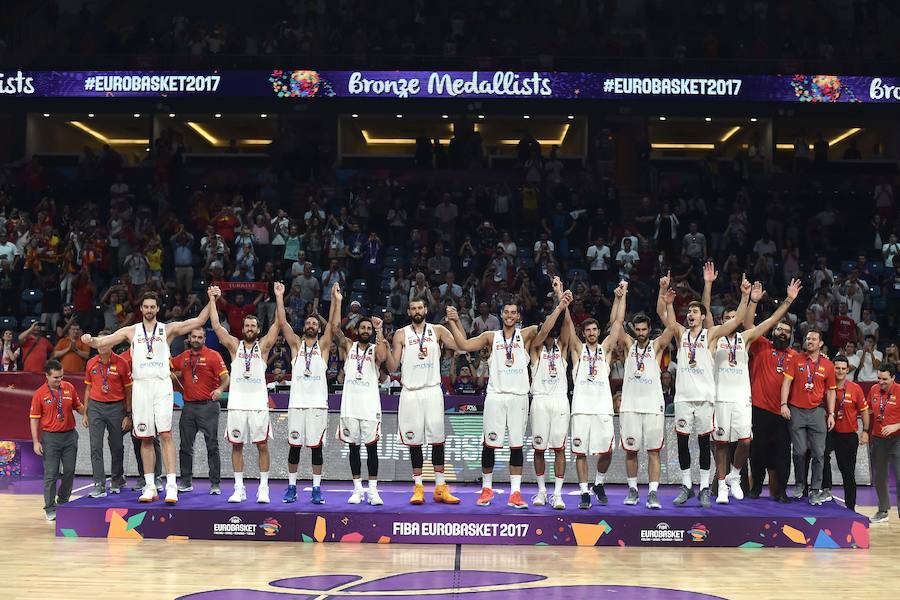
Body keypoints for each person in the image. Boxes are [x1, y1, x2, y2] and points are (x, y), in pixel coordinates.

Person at [82, 291, 212, 504]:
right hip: (141, 387)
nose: (149, 310)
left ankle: (171, 487)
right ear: (141, 309)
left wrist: (212, 300)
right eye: (146, 307)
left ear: (157, 309)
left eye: (153, 307)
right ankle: (150, 486)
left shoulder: (167, 329)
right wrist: (90, 339)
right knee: (145, 437)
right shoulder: (131, 331)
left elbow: (199, 320)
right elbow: (103, 341)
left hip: (161, 385)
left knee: (166, 435)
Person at [706, 276, 801, 504]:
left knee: (745, 442)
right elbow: (706, 310)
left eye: (733, 318)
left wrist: (788, 300)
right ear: (721, 321)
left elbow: (770, 322)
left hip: (741, 399)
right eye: (727, 318)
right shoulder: (713, 337)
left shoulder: (745, 339)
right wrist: (708, 285)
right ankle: (721, 486)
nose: (731, 321)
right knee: (720, 444)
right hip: (719, 399)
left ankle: (735, 476)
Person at [658, 271, 749, 507]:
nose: (690, 314)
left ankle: (706, 487)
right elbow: (664, 316)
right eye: (688, 311)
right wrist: (665, 297)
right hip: (684, 399)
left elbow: (737, 320)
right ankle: (687, 486)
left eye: (695, 311)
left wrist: (745, 295)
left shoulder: (711, 336)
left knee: (703, 443)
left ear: (702, 316)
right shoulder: (680, 334)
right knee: (682, 442)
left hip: (706, 399)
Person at [446, 302, 539, 509]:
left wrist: (560, 304)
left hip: (518, 396)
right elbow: (464, 345)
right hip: (496, 396)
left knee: (517, 446)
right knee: (489, 444)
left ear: (518, 315)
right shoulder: (490, 336)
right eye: (506, 312)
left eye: (513, 312)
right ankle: (486, 489)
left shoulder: (527, 334)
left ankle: (515, 493)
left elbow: (548, 327)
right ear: (501, 314)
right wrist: (454, 321)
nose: (509, 315)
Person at [384, 298, 465, 505]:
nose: (417, 311)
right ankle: (418, 487)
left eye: (420, 307)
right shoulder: (401, 334)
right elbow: (393, 367)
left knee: (438, 440)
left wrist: (456, 322)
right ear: (409, 312)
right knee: (415, 442)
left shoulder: (437, 330)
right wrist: (382, 345)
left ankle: (440, 487)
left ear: (426, 309)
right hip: (410, 392)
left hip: (432, 391)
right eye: (413, 308)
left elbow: (462, 345)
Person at [208, 286, 279, 504]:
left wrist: (278, 297)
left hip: (258, 405)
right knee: (236, 445)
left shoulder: (264, 347)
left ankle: (263, 488)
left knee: (262, 445)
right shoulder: (234, 346)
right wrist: (212, 300)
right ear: (243, 328)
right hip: (237, 405)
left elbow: (278, 325)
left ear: (258, 329)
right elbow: (217, 326)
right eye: (246, 325)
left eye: (253, 326)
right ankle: (239, 488)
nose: (249, 328)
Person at [274, 281, 340, 505]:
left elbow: (332, 324)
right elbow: (282, 323)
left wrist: (336, 300)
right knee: (294, 447)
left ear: (318, 328)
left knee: (316, 449)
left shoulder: (322, 347)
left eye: (314, 323)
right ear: (304, 326)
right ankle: (291, 486)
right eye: (308, 322)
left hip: (318, 406)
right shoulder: (295, 346)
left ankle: (316, 488)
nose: (311, 325)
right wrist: (280, 296)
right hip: (296, 405)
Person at [562, 281, 623, 510]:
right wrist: (562, 298)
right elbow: (567, 323)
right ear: (583, 333)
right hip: (580, 409)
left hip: (603, 409)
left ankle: (599, 483)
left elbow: (617, 324)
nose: (591, 333)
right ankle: (585, 492)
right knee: (580, 453)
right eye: (587, 330)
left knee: (608, 450)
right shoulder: (578, 350)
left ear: (598, 332)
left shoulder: (605, 349)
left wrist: (619, 297)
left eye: (594, 330)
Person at [618, 290, 677, 509]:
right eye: (638, 329)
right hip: (630, 407)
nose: (641, 333)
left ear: (649, 330)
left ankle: (653, 493)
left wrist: (668, 304)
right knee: (631, 451)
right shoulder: (627, 345)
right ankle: (633, 490)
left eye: (644, 329)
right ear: (634, 330)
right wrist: (621, 297)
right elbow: (616, 324)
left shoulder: (657, 347)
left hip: (653, 407)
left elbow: (672, 329)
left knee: (654, 451)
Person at [334, 302, 388, 506]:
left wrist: (379, 330)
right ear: (357, 330)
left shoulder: (376, 348)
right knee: (354, 449)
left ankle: (373, 491)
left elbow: (383, 358)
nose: (366, 331)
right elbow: (334, 330)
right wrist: (338, 302)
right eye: (363, 328)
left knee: (372, 450)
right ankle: (357, 489)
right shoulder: (349, 345)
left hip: (370, 407)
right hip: (350, 407)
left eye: (368, 328)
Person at [527, 281, 573, 510]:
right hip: (541, 400)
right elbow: (544, 330)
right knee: (538, 448)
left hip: (559, 401)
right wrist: (558, 304)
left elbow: (567, 328)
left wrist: (561, 299)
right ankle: (541, 490)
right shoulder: (535, 347)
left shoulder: (562, 346)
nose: (547, 329)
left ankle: (557, 494)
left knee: (559, 449)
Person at [780, 328, 836, 505]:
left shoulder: (828, 365)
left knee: (819, 454)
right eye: (808, 339)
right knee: (799, 451)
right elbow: (786, 382)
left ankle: (815, 489)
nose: (809, 341)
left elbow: (831, 392)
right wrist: (783, 404)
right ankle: (799, 483)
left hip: (818, 412)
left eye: (813, 339)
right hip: (796, 410)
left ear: (820, 344)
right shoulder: (796, 359)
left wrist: (831, 413)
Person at [171, 328, 229, 495]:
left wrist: (220, 389)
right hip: (188, 407)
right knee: (185, 446)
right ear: (189, 338)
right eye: (194, 337)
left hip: (208, 406)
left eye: (200, 337)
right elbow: (168, 365)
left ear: (204, 339)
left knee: (212, 445)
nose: (196, 339)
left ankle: (215, 484)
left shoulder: (214, 355)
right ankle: (186, 481)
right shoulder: (183, 356)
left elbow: (226, 378)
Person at [29, 360, 85, 521]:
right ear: (46, 376)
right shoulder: (40, 394)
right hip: (51, 438)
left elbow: (78, 406)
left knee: (69, 471)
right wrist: (35, 441)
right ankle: (49, 507)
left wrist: (88, 414)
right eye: (55, 378)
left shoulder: (69, 388)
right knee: (51, 474)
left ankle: (63, 501)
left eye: (61, 376)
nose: (59, 380)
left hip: (69, 436)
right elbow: (34, 419)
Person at [82, 341, 132, 497]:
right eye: (99, 343)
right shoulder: (91, 362)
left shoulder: (122, 363)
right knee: (95, 446)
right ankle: (99, 484)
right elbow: (88, 388)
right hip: (96, 407)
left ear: (112, 345)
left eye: (106, 343)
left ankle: (117, 479)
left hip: (116, 407)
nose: (102, 346)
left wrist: (128, 414)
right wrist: (85, 412)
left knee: (116, 446)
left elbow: (128, 390)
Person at [821, 355, 868, 511]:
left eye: (843, 369)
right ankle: (826, 490)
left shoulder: (855, 388)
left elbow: (864, 411)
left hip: (848, 436)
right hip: (830, 432)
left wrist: (866, 431)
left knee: (847, 472)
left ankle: (850, 508)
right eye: (837, 368)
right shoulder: (825, 386)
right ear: (832, 368)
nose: (840, 371)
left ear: (848, 370)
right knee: (821, 456)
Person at [868, 364, 900, 523]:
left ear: (893, 378)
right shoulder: (873, 389)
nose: (880, 382)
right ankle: (882, 511)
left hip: (897, 439)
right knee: (880, 477)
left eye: (885, 379)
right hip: (878, 439)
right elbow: (868, 409)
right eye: (879, 378)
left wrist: (896, 425)